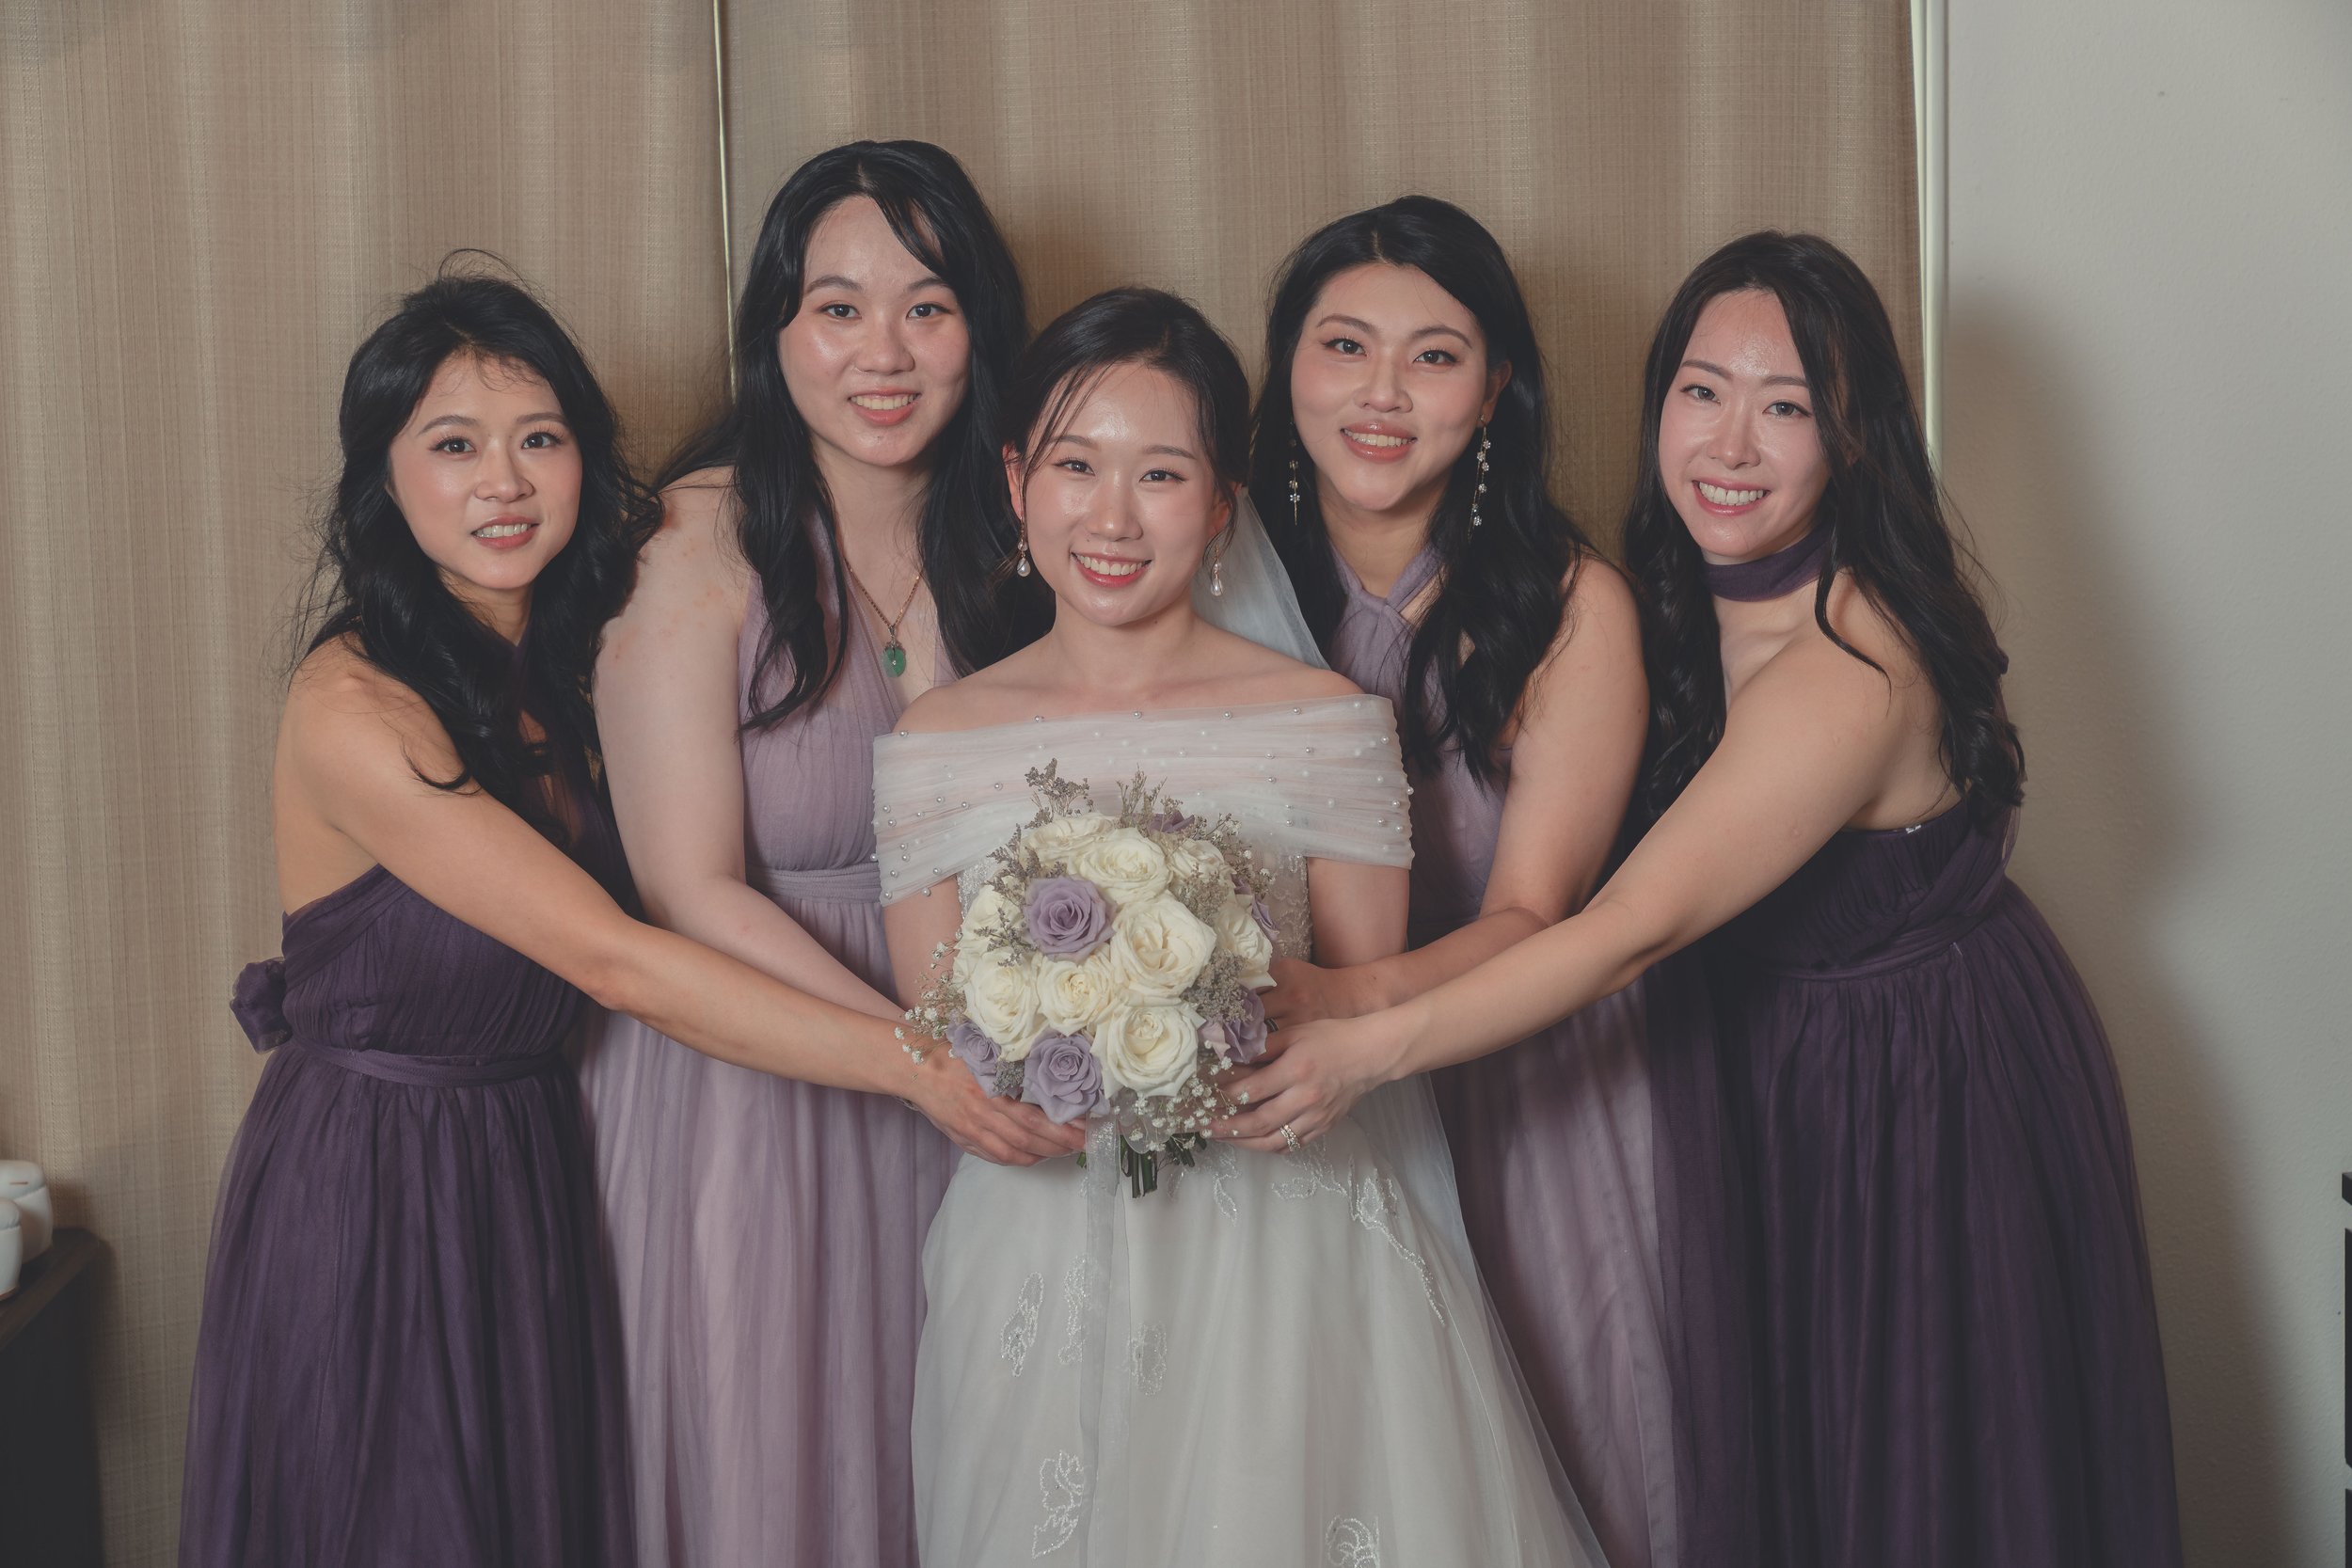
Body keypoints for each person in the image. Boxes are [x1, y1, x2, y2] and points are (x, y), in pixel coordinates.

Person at [1221, 231, 2185, 1568]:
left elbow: (1627, 932)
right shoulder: (1678, 599)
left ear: (1854, 438)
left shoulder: (1853, 655)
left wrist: (1358, 1041)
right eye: (1701, 391)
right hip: (1772, 1064)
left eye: (1786, 405)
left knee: (1917, 1468)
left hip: (1916, 1083)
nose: (1730, 444)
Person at [180, 269, 995, 1568]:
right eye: (453, 447)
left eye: (539, 441)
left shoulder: (557, 666)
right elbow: (619, 958)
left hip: (528, 1166)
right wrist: (928, 1070)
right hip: (377, 1184)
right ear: (384, 484)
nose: (503, 482)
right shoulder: (355, 707)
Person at [875, 287, 1602, 1565]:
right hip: (1039, 1246)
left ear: (1219, 505)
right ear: (1013, 480)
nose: (1110, 517)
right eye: (1074, 467)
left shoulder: (1326, 722)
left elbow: (1363, 1006)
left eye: (1159, 474)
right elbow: (944, 1021)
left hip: (1286, 1238)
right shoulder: (933, 741)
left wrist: (1218, 1028)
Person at [573, 140, 1075, 1568]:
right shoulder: (696, 545)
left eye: (928, 305)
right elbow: (688, 886)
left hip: (988, 1080)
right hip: (757, 1080)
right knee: (775, 1466)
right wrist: (920, 1056)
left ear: (982, 326)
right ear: (775, 335)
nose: (884, 351)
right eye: (836, 307)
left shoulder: (1028, 538)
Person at [1248, 196, 1668, 1567]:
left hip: (1520, 1090)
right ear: (1285, 370)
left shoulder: (1566, 606)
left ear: (1495, 392)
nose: (1381, 393)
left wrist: (1349, 1009)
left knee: (1558, 1459)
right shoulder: (1206, 573)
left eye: (1433, 356)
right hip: (1285, 1111)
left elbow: (1535, 915)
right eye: (1343, 345)